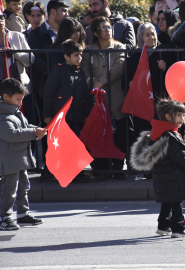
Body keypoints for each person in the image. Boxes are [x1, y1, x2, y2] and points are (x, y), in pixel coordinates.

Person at [130, 99, 185, 238]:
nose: (182, 118)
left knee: (167, 201)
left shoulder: (159, 132)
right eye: (179, 115)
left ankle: (163, 226)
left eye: (183, 115)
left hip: (165, 177)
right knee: (176, 202)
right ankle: (178, 228)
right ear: (168, 117)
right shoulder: (170, 137)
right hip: (173, 177)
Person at [81, 16, 128, 180]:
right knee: (99, 135)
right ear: (95, 32)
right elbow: (86, 73)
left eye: (109, 27)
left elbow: (119, 68)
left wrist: (101, 81)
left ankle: (118, 168)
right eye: (104, 28)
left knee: (119, 135)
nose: (108, 30)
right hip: (96, 100)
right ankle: (101, 169)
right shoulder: (88, 50)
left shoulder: (119, 47)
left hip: (116, 100)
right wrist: (95, 85)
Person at [0, 78, 47, 230]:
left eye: (21, 99)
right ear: (6, 96)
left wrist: (38, 129)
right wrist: (34, 132)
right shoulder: (3, 117)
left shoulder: (15, 113)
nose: (20, 102)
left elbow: (25, 127)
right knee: (9, 190)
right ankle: (4, 217)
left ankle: (22, 214)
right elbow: (12, 134)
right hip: (9, 161)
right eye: (18, 99)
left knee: (23, 187)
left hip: (19, 159)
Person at [125, 22, 176, 138]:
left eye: (153, 34)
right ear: (140, 37)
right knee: (143, 136)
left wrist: (166, 67)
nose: (152, 37)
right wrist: (131, 83)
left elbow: (175, 75)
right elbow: (126, 79)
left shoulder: (166, 51)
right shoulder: (134, 57)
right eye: (147, 35)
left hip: (161, 101)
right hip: (142, 105)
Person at [43, 40, 92, 137]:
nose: (79, 58)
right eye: (76, 55)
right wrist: (47, 115)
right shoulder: (58, 71)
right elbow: (49, 93)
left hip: (77, 117)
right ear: (66, 57)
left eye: (80, 55)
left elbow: (86, 95)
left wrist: (86, 115)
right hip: (61, 116)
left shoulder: (80, 72)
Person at [27, 0, 69, 100]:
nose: (67, 15)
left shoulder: (69, 32)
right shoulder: (35, 34)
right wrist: (55, 71)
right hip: (44, 86)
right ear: (53, 12)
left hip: (66, 85)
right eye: (64, 11)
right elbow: (35, 59)